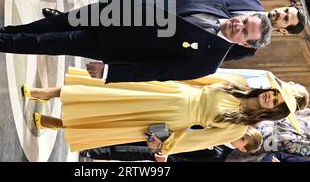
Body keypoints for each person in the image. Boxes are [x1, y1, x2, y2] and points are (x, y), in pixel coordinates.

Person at [0, 0, 271, 82]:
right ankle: (1, 32)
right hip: (119, 13)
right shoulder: (215, 3)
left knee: (49, 43)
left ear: (244, 45)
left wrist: (111, 72)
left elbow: (156, 73)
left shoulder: (208, 62)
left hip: (113, 45)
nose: (238, 25)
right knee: (49, 24)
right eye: (244, 20)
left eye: (245, 32)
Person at [43, 0, 306, 60]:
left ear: (283, 30)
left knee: (84, 39)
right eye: (284, 10)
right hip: (159, 7)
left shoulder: (248, 46)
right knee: (95, 14)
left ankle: (53, 33)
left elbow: (200, 52)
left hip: (156, 37)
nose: (278, 14)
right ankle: (59, 21)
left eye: (284, 19)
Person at [21, 67, 308, 154]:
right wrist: (159, 73)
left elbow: (198, 140)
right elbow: (197, 76)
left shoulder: (238, 127)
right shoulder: (239, 83)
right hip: (169, 90)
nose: (272, 97)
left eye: (277, 102)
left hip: (172, 118)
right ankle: (46, 94)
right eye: (276, 92)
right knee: (109, 92)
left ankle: (55, 123)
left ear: (275, 111)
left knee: (112, 123)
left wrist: (168, 147)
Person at [78, 126, 262, 162]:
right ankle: (87, 137)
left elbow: (187, 157)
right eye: (244, 134)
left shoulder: (219, 154)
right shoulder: (221, 130)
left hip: (165, 151)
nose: (239, 136)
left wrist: (166, 157)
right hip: (167, 133)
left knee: (126, 151)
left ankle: (89, 150)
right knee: (126, 137)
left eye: (243, 139)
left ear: (242, 149)